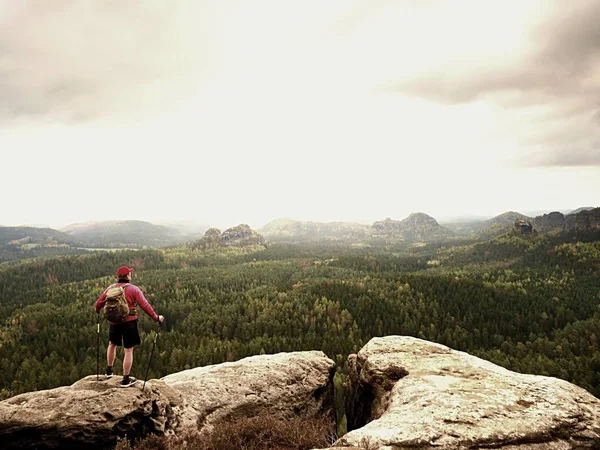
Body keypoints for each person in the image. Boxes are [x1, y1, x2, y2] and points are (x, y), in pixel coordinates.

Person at [95, 266, 165, 387]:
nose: (130, 275)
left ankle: (109, 371)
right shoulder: (133, 289)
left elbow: (98, 304)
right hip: (129, 323)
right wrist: (156, 318)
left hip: (114, 322)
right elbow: (145, 305)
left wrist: (98, 310)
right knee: (128, 350)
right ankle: (125, 379)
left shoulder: (111, 288)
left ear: (118, 277)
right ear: (127, 276)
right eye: (129, 274)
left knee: (112, 344)